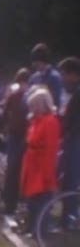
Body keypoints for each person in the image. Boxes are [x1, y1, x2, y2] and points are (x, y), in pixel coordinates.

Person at [20, 88, 61, 235]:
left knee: (41, 200)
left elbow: (51, 150)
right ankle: (31, 227)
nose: (31, 110)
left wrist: (47, 174)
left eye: (33, 106)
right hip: (32, 164)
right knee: (31, 200)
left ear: (41, 105)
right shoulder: (35, 121)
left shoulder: (50, 122)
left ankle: (40, 230)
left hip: (42, 166)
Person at [2, 68, 30, 216]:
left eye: (24, 83)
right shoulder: (13, 97)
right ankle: (9, 203)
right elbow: (5, 113)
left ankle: (21, 201)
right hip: (14, 136)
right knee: (12, 168)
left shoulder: (30, 98)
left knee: (22, 170)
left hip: (26, 137)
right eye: (20, 82)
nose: (22, 85)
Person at [58, 57, 80, 228]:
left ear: (74, 75)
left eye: (64, 74)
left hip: (75, 142)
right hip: (72, 141)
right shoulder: (74, 93)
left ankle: (69, 219)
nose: (62, 78)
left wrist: (67, 132)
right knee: (68, 180)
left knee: (71, 180)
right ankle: (68, 216)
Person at [29, 43, 63, 109]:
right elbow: (26, 100)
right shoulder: (33, 78)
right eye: (34, 61)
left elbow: (57, 100)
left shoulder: (55, 77)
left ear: (44, 60)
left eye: (37, 61)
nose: (34, 64)